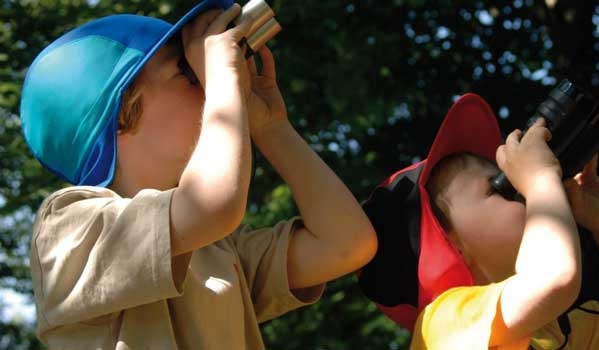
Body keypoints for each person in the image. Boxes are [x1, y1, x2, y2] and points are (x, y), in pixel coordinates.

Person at [20, 0, 376, 348]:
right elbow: (211, 205)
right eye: (187, 72)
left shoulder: (216, 251)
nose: (208, 83)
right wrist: (224, 80)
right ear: (121, 118)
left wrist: (272, 128)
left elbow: (347, 244)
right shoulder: (69, 229)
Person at [357, 93, 599, 349]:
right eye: (500, 188)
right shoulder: (443, 323)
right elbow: (555, 279)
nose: (520, 188)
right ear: (451, 249)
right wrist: (539, 181)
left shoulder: (546, 335)